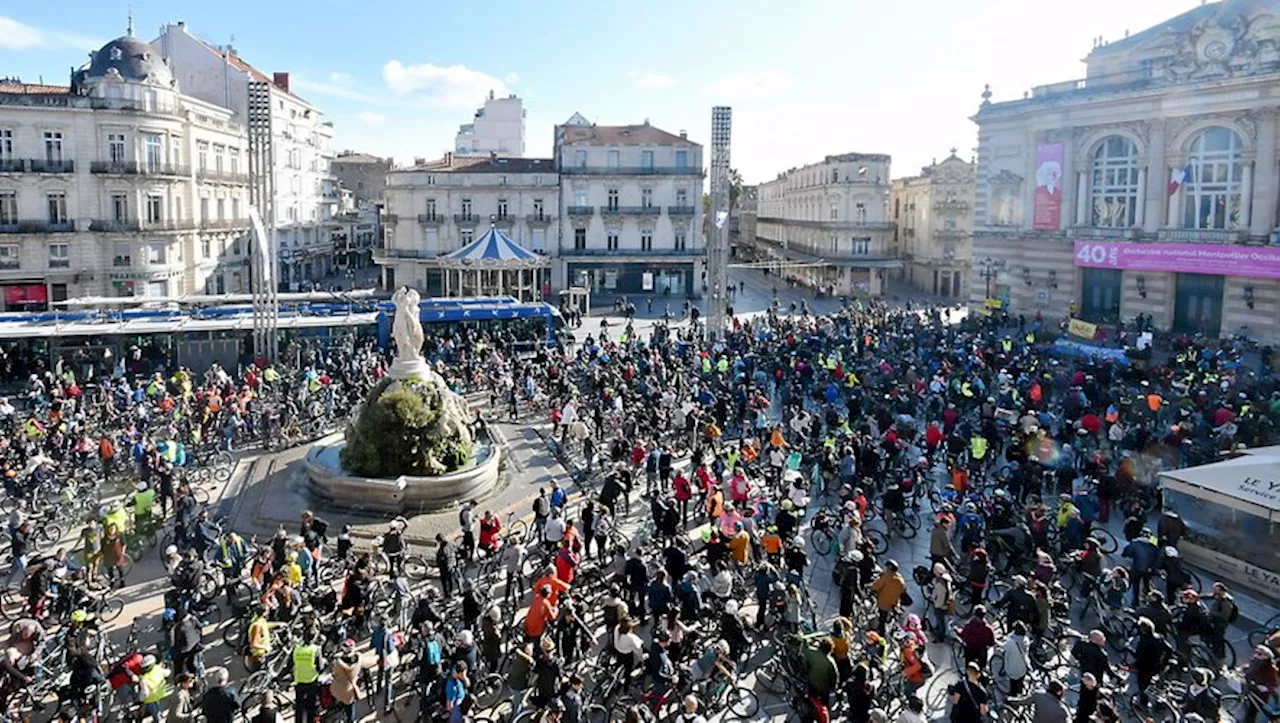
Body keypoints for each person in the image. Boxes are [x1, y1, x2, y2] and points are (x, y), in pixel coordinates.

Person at [292, 635, 326, 723]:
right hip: (311, 681)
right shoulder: (315, 649)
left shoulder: (296, 649)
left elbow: (290, 665)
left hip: (299, 680)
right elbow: (320, 667)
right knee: (311, 706)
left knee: (299, 706)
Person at [332, 639, 364, 723]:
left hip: (338, 689)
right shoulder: (358, 659)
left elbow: (334, 673)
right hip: (350, 688)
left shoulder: (338, 662)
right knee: (350, 706)